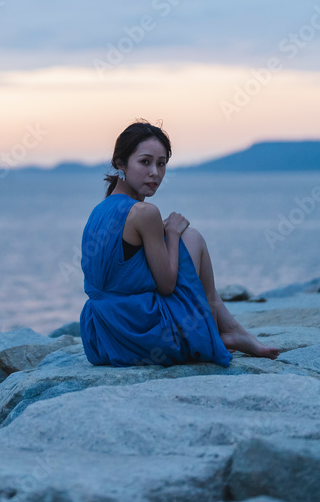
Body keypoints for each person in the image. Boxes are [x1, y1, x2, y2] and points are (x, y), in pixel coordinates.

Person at [79, 120, 281, 367]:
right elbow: (166, 286)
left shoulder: (98, 211)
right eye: (145, 162)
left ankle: (227, 330)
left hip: (98, 336)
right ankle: (220, 330)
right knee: (192, 237)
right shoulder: (145, 212)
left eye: (161, 164)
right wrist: (172, 234)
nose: (155, 172)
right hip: (138, 334)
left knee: (183, 241)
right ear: (120, 163)